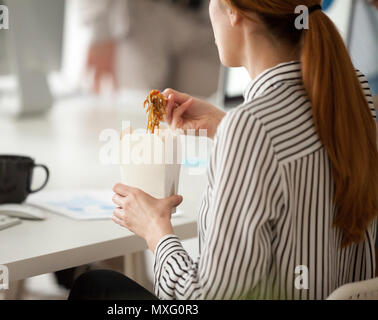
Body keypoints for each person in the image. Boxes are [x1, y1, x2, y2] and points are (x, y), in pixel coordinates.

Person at [69, 0, 378, 300]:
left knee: (94, 286)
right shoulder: (355, 93)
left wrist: (156, 230)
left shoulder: (250, 128)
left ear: (234, 13)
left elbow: (207, 295)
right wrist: (225, 124)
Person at [77, 0, 220, 97]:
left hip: (207, 20)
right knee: (137, 115)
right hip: (142, 18)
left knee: (197, 122)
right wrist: (101, 30)